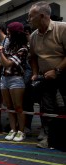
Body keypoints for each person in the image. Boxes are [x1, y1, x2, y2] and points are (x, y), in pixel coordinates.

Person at [28, 1, 66, 149]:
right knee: (47, 109)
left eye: (31, 17)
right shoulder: (33, 36)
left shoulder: (62, 28)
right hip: (45, 78)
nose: (29, 20)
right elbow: (33, 58)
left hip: (64, 76)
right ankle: (50, 138)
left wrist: (57, 71)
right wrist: (35, 73)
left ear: (42, 16)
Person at [0, 22, 28, 142]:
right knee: (9, 106)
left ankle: (21, 131)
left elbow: (7, 63)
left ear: (15, 33)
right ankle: (13, 129)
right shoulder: (9, 47)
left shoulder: (23, 49)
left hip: (16, 78)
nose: (7, 34)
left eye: (9, 31)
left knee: (18, 107)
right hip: (4, 78)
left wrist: (0, 52)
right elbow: (4, 63)